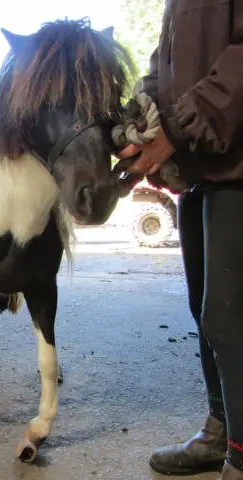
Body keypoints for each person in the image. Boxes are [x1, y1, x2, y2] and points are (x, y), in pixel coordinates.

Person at [116, 1, 243, 479]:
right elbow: (166, 65)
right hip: (200, 165)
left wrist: (175, 127)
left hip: (237, 164)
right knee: (203, 311)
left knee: (230, 319)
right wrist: (138, 116)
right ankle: (221, 431)